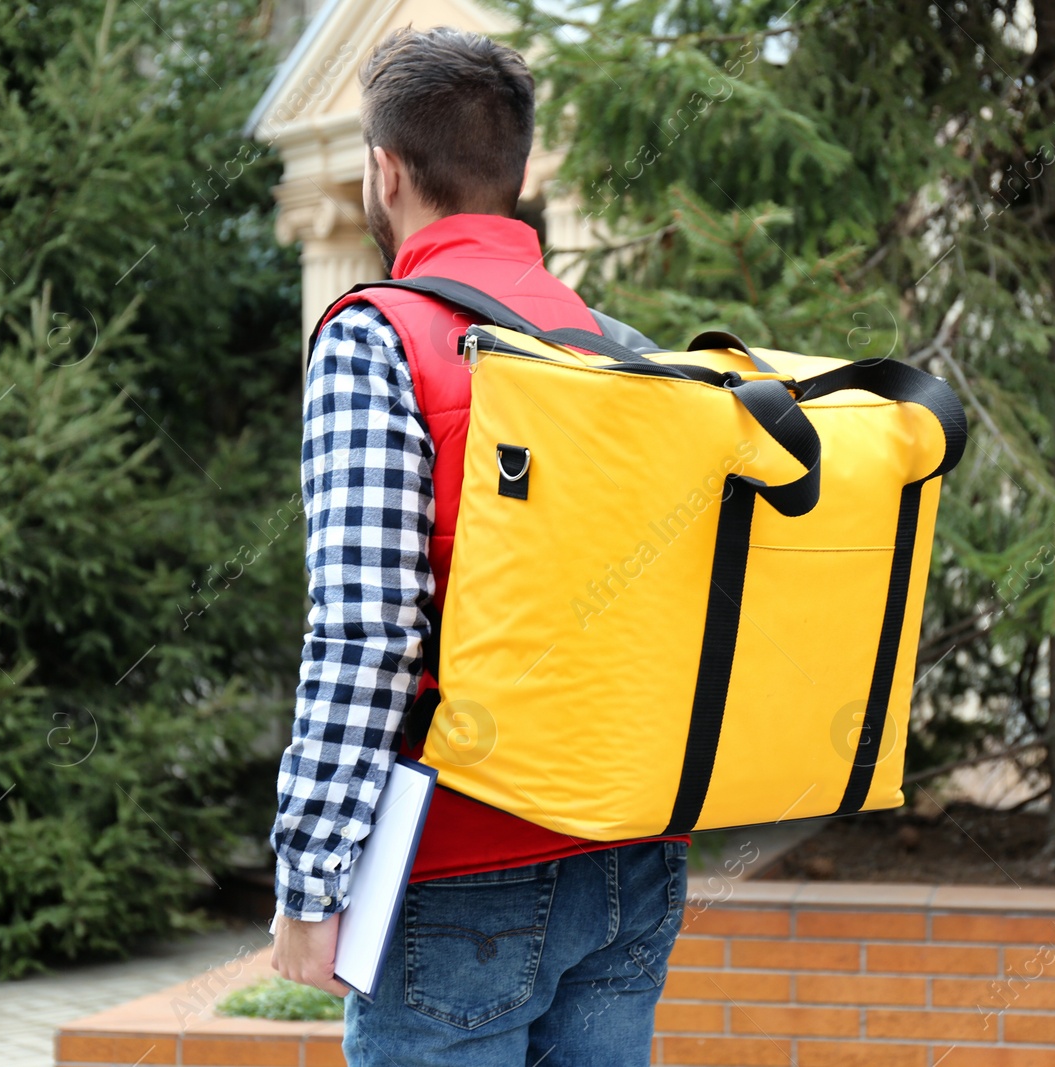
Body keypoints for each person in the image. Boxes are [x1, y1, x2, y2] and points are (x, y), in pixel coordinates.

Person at [268, 26, 689, 1067]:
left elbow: (367, 629)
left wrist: (310, 878)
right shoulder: (615, 348)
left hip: (461, 859)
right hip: (629, 853)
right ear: (521, 171)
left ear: (385, 169)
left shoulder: (378, 338)